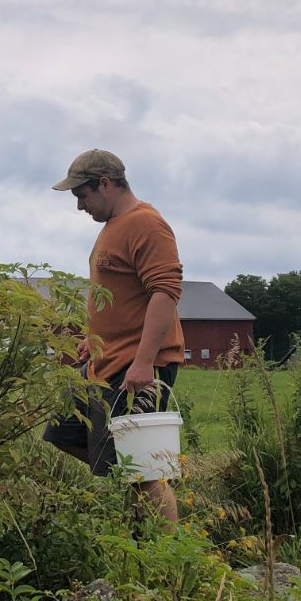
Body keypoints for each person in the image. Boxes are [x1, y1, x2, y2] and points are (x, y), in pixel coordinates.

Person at [42, 149, 185, 524]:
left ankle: (168, 556)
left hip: (138, 368)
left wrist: (143, 362)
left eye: (81, 195)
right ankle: (136, 509)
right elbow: (123, 298)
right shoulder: (113, 227)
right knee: (63, 432)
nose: (79, 206)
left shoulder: (146, 224)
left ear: (105, 184)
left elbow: (165, 291)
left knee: (145, 470)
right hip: (106, 363)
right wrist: (95, 338)